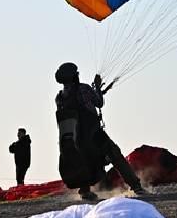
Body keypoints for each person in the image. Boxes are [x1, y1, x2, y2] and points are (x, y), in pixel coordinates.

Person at [53, 62, 145, 200]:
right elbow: (99, 102)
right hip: (93, 132)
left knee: (85, 160)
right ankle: (136, 186)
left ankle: (85, 191)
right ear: (74, 76)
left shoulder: (60, 97)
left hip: (77, 137)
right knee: (114, 154)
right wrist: (97, 87)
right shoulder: (84, 89)